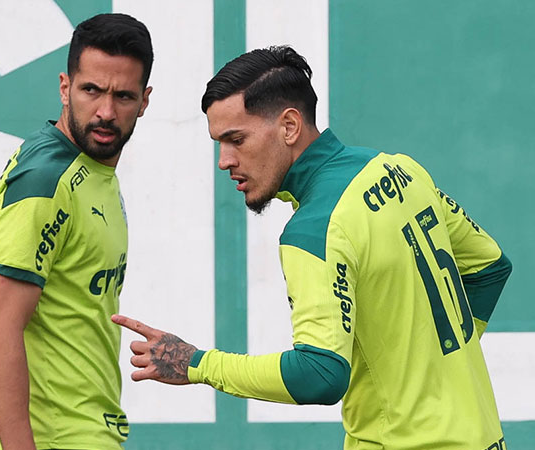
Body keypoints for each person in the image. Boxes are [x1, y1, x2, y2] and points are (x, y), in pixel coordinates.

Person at [112, 45, 513, 449]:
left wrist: (197, 363)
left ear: (289, 126)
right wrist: (429, 373)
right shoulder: (401, 170)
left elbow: (319, 374)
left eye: (236, 139)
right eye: (219, 142)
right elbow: (489, 269)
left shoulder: (314, 230)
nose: (224, 160)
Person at [0, 13, 152, 450]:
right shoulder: (45, 178)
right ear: (64, 86)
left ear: (145, 100)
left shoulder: (93, 171)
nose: (106, 112)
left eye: (124, 96)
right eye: (91, 90)